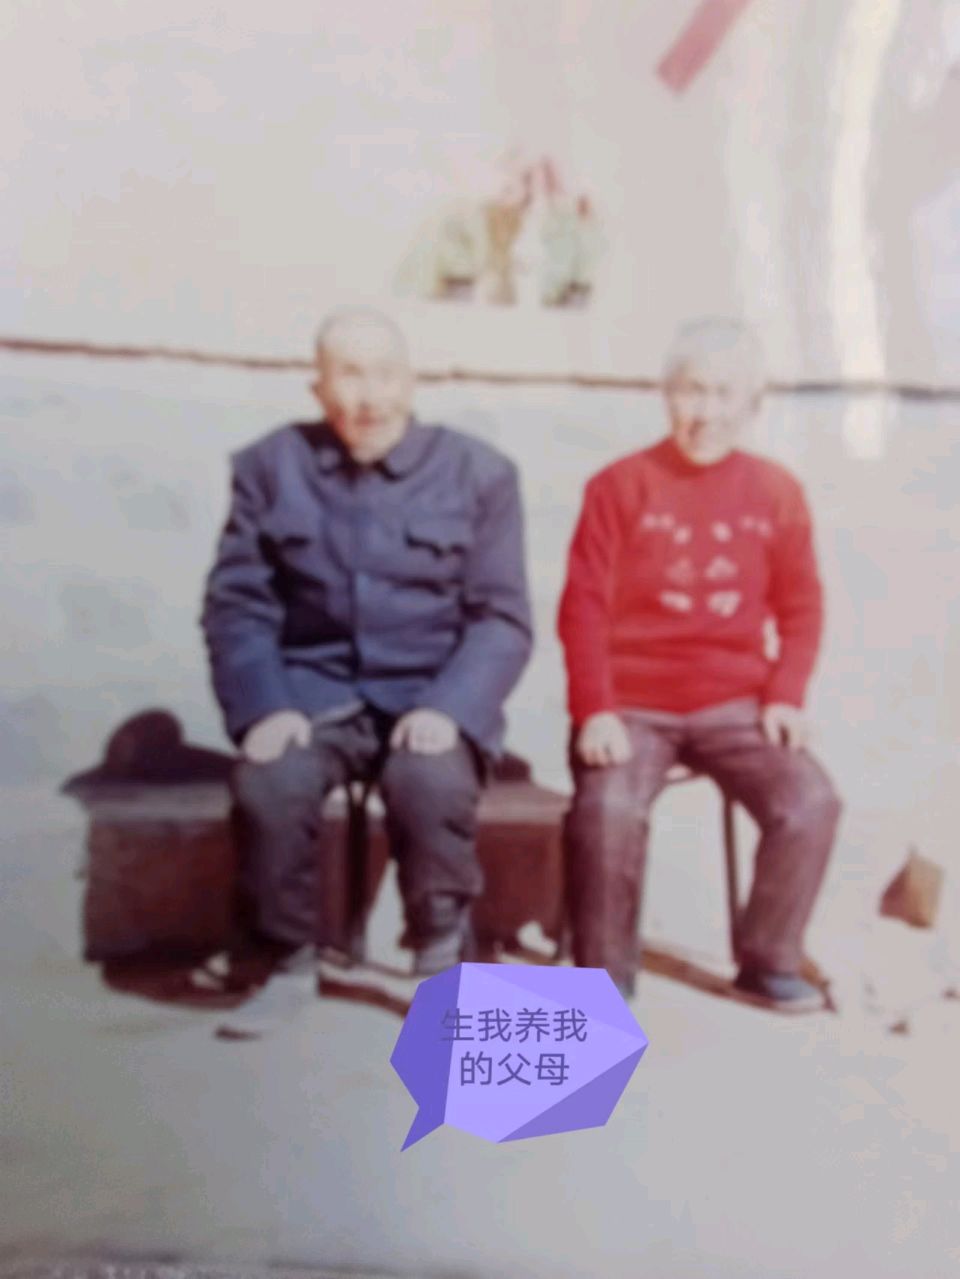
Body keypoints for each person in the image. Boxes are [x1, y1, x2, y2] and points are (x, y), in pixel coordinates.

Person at [201, 307, 532, 1037]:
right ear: (318, 387)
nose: (370, 396)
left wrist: (451, 706)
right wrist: (265, 707)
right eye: (349, 375)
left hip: (429, 695)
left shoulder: (480, 474)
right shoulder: (269, 468)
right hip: (314, 696)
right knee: (270, 779)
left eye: (386, 374)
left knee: (430, 779)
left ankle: (440, 961)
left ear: (412, 382)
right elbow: (237, 607)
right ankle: (285, 960)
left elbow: (501, 618)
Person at [557, 318, 842, 1011]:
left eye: (722, 394)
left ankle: (768, 957)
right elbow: (582, 608)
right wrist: (595, 709)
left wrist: (786, 694)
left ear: (752, 404)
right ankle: (602, 986)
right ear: (667, 395)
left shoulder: (776, 490)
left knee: (810, 800)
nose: (705, 411)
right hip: (632, 702)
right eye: (691, 391)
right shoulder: (619, 485)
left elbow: (802, 605)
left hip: (734, 703)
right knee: (609, 808)